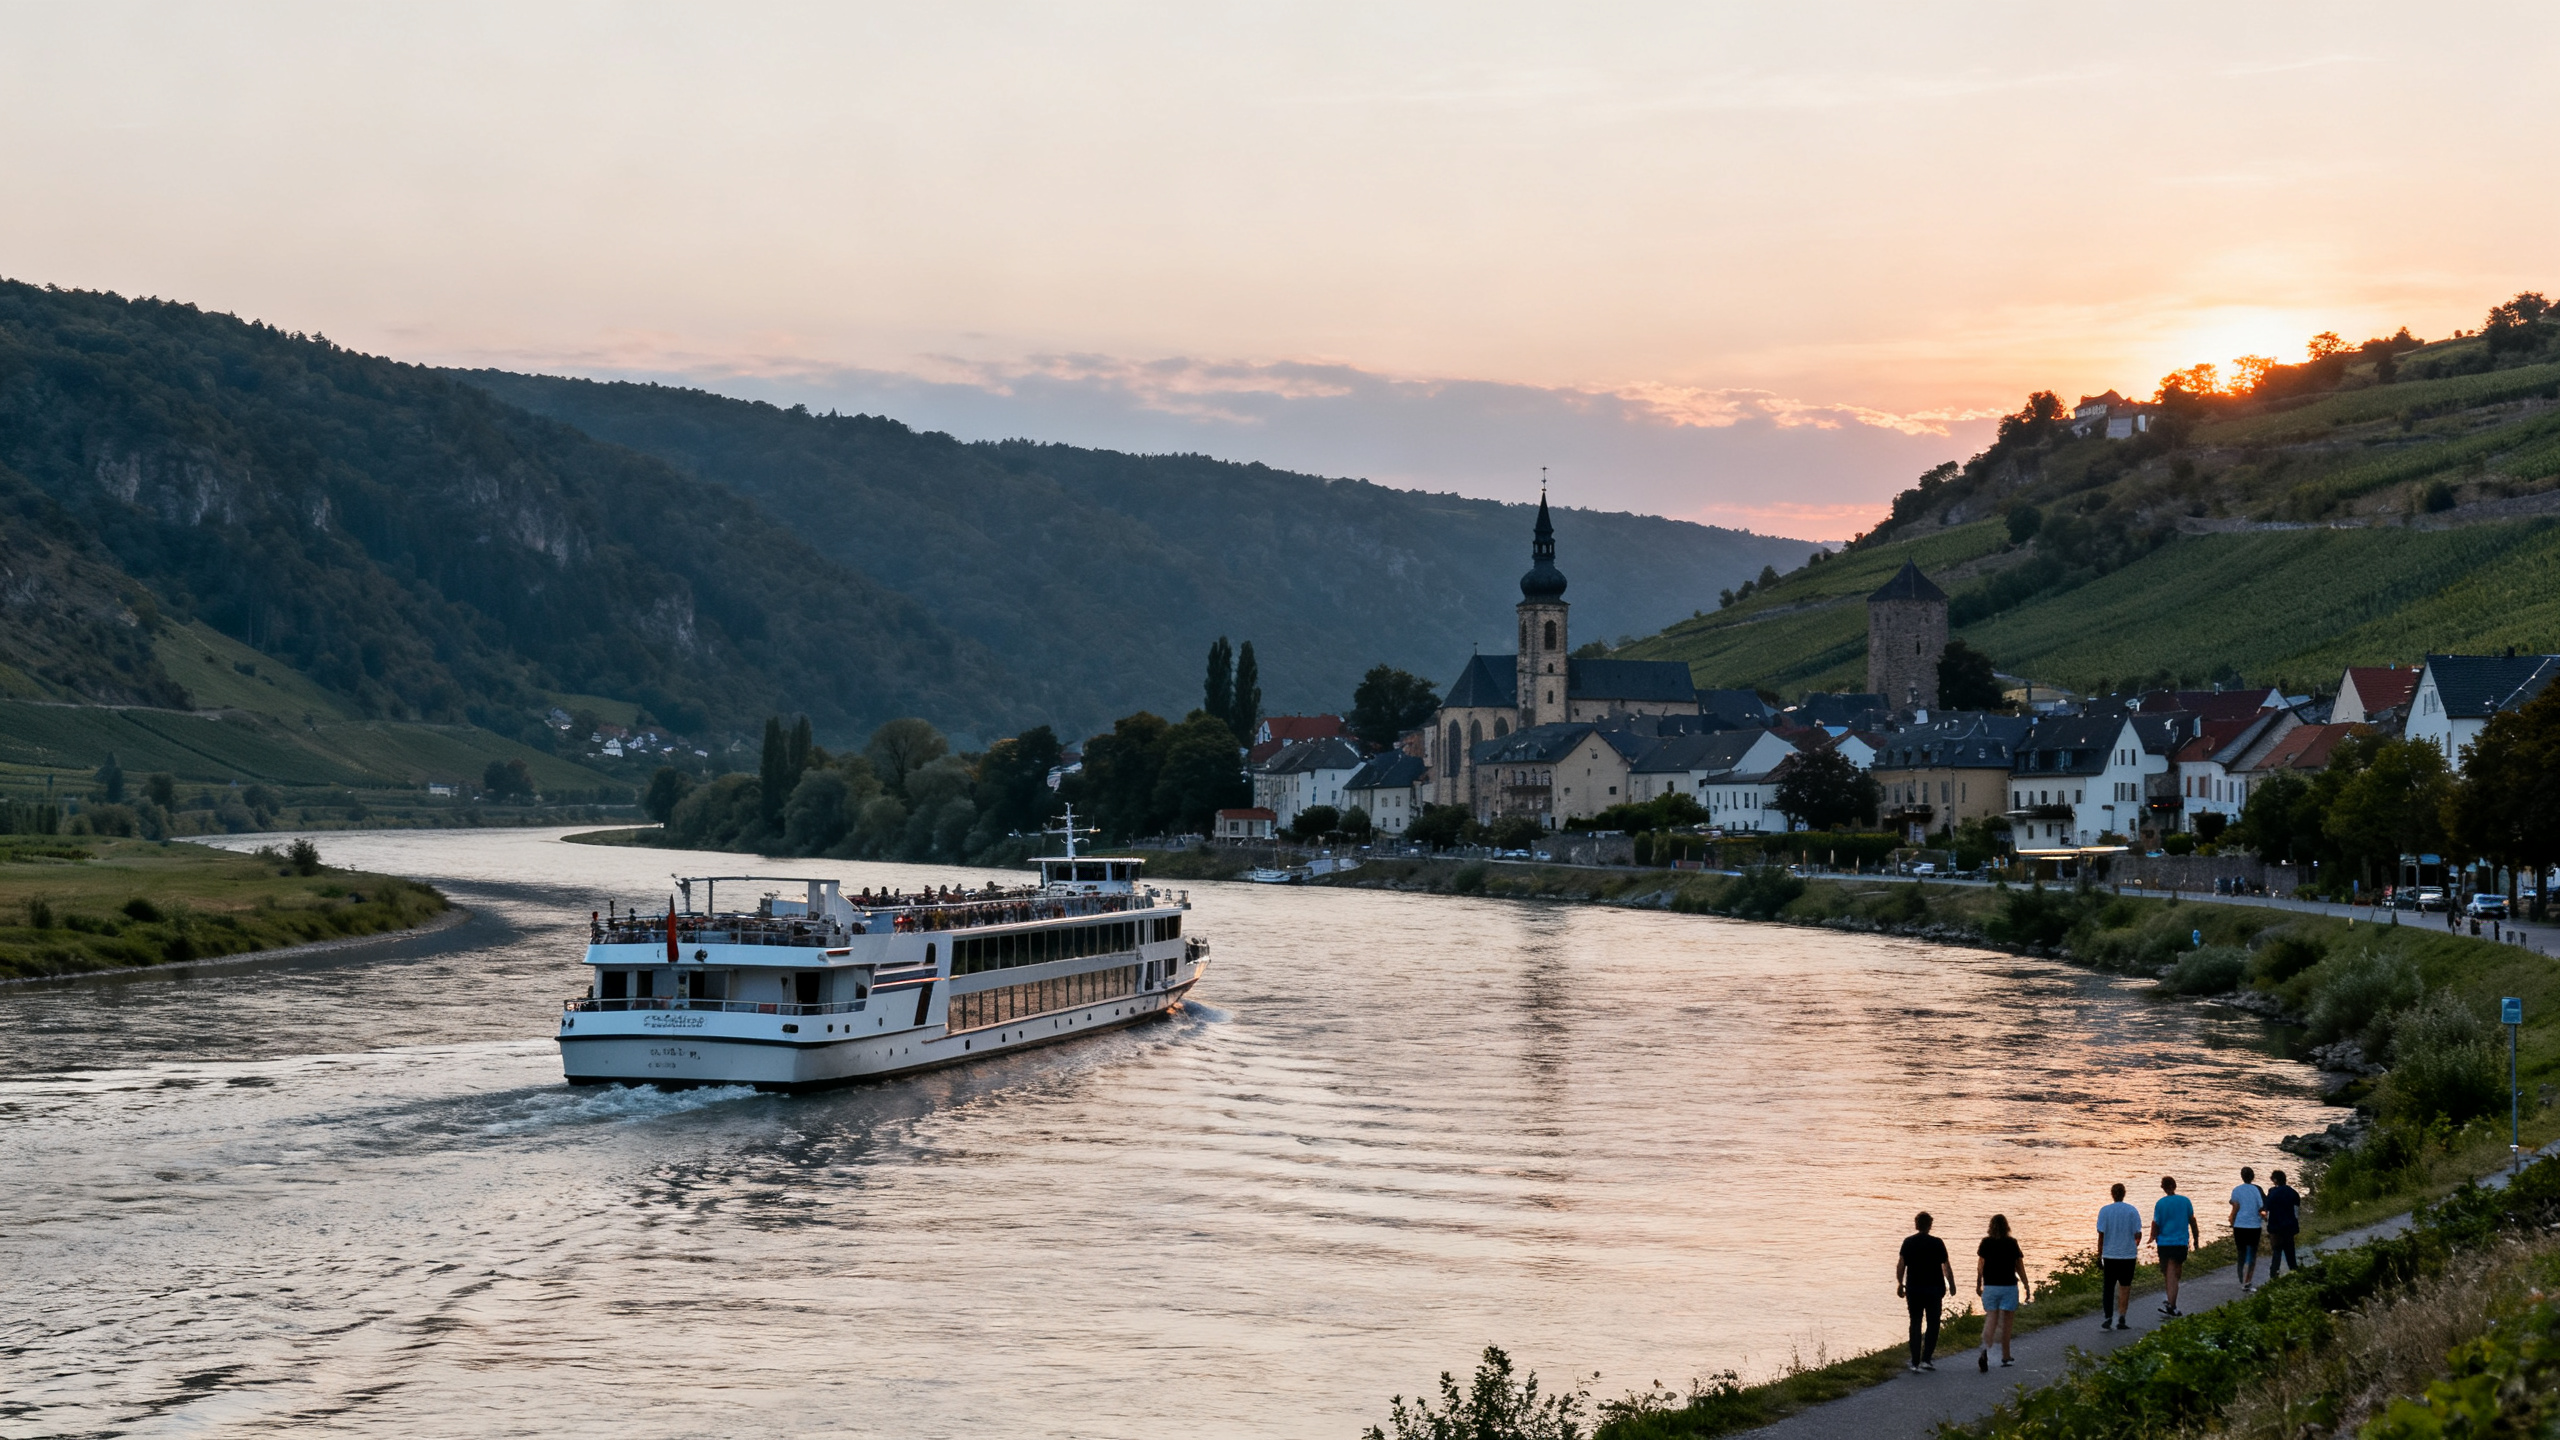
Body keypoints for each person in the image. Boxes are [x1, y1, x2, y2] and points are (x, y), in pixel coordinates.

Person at [1896, 1212, 1956, 1372]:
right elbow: (1946, 1266)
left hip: (1914, 1289)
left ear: (1916, 1224)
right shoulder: (1937, 1243)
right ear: (1930, 1225)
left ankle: (1915, 1361)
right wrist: (1951, 1284)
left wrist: (1900, 1284)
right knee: (1933, 1323)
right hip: (1934, 1289)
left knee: (1915, 1322)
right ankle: (1926, 1359)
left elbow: (1901, 1264)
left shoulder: (1908, 1242)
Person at [1974, 1215, 2030, 1369]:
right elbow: (2019, 1266)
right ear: (2007, 1227)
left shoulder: (1986, 1243)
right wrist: (2026, 1285)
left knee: (1991, 1317)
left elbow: (1981, 1266)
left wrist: (1979, 1284)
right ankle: (2005, 1356)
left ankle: (1984, 1349)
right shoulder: (2012, 1243)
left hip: (1991, 1286)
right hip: (2008, 1286)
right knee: (2007, 1322)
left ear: (1990, 1227)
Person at [2096, 1183, 2143, 1330]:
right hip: (2128, 1255)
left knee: (2108, 1286)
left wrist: (2099, 1254)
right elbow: (2138, 1233)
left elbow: (2101, 1235)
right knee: (2125, 1286)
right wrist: (2134, 1246)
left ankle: (2108, 1316)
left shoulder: (2105, 1211)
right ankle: (2122, 1316)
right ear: (2124, 1194)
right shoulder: (2132, 1211)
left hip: (2110, 1255)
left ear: (2112, 1194)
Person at [2152, 1176, 2198, 1316]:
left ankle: (2171, 1303)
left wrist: (2152, 1238)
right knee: (2175, 1271)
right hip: (2180, 1242)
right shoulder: (2185, 1201)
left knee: (2169, 1272)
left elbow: (2156, 1224)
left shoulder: (2160, 1203)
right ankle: (2171, 1301)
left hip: (2165, 1243)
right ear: (2175, 1185)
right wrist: (2196, 1239)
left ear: (2163, 1188)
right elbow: (2192, 1221)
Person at [2229, 1167, 2268, 1292]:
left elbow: (2235, 1206)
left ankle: (2240, 1271)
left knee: (2241, 1251)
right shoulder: (2256, 1190)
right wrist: (2264, 1217)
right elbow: (2260, 1207)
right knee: (2252, 1253)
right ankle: (2247, 1280)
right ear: (2253, 1177)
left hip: (2240, 1225)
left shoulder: (2236, 1190)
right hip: (2254, 1226)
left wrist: (2232, 1219)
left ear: (2242, 1176)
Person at [2264, 1169, 2302, 1278]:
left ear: (2275, 1180)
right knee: (2290, 1251)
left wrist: (2268, 1227)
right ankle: (2295, 1273)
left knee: (2277, 1251)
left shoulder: (2272, 1194)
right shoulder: (2293, 1193)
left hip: (2276, 1227)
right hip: (2289, 1227)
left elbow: (2268, 1213)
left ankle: (2274, 1275)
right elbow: (2296, 1213)